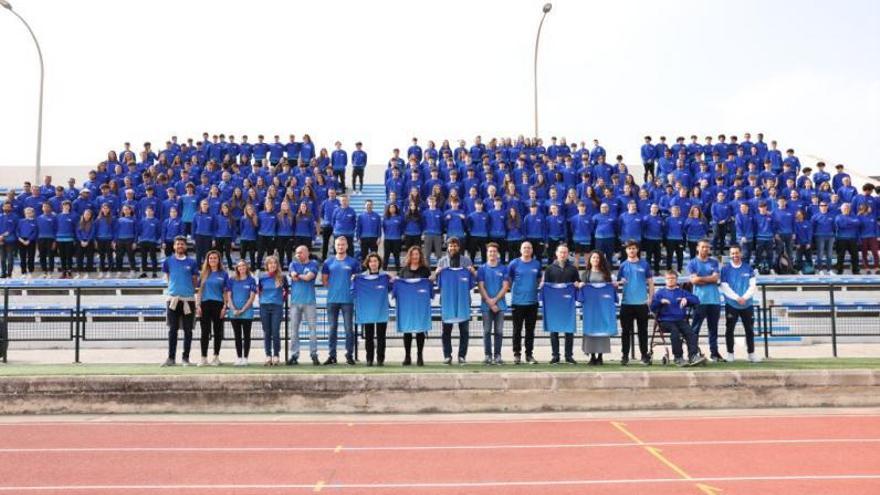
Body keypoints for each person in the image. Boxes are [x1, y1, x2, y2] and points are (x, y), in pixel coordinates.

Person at [650, 270, 706, 367]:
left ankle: (693, 356)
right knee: (675, 332)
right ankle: (678, 357)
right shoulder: (660, 293)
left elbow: (697, 300)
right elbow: (652, 307)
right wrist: (660, 301)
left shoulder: (682, 292)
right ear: (665, 280)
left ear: (676, 280)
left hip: (680, 320)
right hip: (665, 321)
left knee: (691, 332)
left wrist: (687, 299)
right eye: (668, 278)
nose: (671, 280)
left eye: (673, 278)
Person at [434, 237, 475, 365]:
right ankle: (447, 355)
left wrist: (473, 272)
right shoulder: (442, 262)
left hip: (463, 302)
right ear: (447, 247)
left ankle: (462, 356)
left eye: (455, 246)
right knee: (446, 332)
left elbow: (471, 283)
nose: (453, 248)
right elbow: (438, 284)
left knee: (465, 331)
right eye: (451, 246)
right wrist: (436, 273)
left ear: (459, 247)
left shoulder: (467, 261)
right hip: (447, 302)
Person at [321, 236, 360, 365]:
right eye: (338, 244)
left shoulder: (353, 262)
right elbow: (324, 280)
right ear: (335, 246)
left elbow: (357, 280)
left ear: (347, 246)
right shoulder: (328, 262)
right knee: (332, 329)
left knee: (349, 329)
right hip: (332, 300)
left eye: (343, 244)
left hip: (348, 300)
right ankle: (332, 355)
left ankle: (349, 355)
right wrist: (335, 289)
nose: (341, 247)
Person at [162, 236, 199, 366]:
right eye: (178, 244)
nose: (180, 246)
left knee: (188, 330)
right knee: (173, 329)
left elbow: (195, 279)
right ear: (174, 246)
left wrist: (189, 290)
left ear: (185, 246)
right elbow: (168, 277)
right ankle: (171, 358)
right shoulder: (168, 261)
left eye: (182, 244)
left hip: (188, 300)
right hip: (173, 300)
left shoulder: (192, 262)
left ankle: (185, 358)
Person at [541, 244, 581, 364]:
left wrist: (577, 284)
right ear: (556, 253)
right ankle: (555, 356)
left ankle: (569, 356)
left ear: (568, 254)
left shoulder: (573, 269)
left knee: (569, 330)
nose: (563, 254)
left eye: (565, 252)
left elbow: (577, 282)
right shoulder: (549, 269)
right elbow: (545, 284)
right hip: (554, 304)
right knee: (554, 330)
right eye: (561, 252)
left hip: (568, 304)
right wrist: (543, 286)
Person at [720, 244, 760, 363]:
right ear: (730, 255)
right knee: (729, 330)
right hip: (732, 304)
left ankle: (751, 354)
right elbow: (724, 286)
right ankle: (730, 354)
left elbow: (753, 286)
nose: (735, 255)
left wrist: (744, 297)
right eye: (732, 253)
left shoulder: (748, 268)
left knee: (749, 330)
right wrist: (737, 298)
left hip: (747, 304)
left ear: (741, 254)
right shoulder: (725, 269)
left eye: (737, 253)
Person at [617, 241, 654, 365]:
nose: (631, 250)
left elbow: (650, 282)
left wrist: (650, 298)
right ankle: (625, 356)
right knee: (625, 331)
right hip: (627, 303)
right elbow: (618, 282)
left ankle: (644, 355)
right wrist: (620, 282)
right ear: (626, 250)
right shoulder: (622, 265)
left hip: (641, 303)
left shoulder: (644, 264)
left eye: (633, 248)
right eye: (629, 248)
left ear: (637, 250)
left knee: (643, 331)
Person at [579, 251, 619, 366]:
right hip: (590, 308)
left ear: (601, 260)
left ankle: (600, 356)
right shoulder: (585, 274)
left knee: (603, 329)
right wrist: (581, 285)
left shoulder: (606, 274)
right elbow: (580, 290)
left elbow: (612, 290)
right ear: (590, 260)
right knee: (590, 328)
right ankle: (591, 356)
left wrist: (614, 285)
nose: (595, 260)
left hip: (603, 307)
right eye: (593, 258)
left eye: (598, 258)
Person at [352, 253, 391, 366]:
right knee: (368, 336)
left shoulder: (385, 277)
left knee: (381, 336)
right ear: (368, 263)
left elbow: (392, 288)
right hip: (367, 310)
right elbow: (353, 290)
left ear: (379, 263)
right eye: (371, 261)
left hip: (381, 309)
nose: (373, 263)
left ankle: (380, 359)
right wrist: (354, 279)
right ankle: (369, 359)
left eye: (375, 261)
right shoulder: (361, 277)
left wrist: (393, 278)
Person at [687, 239, 723, 361]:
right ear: (698, 248)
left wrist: (701, 279)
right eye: (703, 247)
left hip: (714, 300)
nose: (705, 249)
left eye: (707, 247)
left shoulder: (714, 262)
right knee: (695, 329)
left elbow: (716, 278)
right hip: (699, 300)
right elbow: (694, 280)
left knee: (713, 329)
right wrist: (709, 278)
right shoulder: (692, 263)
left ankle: (714, 353)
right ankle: (693, 353)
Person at [397, 245, 432, 366]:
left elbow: (428, 286)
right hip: (407, 305)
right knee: (407, 331)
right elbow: (398, 286)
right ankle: (407, 356)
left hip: (420, 305)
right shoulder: (403, 271)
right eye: (412, 254)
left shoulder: (425, 270)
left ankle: (420, 356)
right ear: (409, 256)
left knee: (420, 331)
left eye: (417, 254)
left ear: (420, 256)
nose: (415, 256)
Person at [508, 241, 541, 365]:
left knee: (530, 331)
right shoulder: (514, 263)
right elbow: (509, 279)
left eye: (529, 248)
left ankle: (529, 355)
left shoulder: (536, 264)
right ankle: (517, 354)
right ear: (521, 250)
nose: (527, 250)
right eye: (524, 248)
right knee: (517, 330)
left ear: (532, 250)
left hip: (532, 302)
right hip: (517, 302)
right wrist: (517, 291)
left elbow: (539, 279)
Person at [477, 242, 509, 365]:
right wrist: (490, 302)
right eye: (490, 251)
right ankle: (487, 356)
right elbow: (481, 287)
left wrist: (494, 301)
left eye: (494, 251)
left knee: (499, 331)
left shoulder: (503, 268)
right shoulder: (482, 269)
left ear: (498, 253)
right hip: (486, 305)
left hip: (500, 305)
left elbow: (505, 287)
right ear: (487, 253)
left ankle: (497, 356)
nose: (492, 253)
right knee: (486, 331)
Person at [288, 245, 320, 366]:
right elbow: (293, 276)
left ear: (307, 253)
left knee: (312, 330)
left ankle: (313, 354)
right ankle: (294, 355)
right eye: (296, 253)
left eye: (300, 252)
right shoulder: (293, 264)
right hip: (295, 302)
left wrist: (299, 276)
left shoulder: (314, 264)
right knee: (294, 330)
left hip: (309, 302)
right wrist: (299, 276)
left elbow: (308, 277)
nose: (298, 255)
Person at [196, 250, 228, 366]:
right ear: (207, 260)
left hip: (218, 304)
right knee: (205, 332)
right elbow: (199, 291)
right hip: (205, 304)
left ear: (218, 260)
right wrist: (198, 305)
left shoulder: (223, 274)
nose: (212, 260)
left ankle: (216, 357)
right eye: (210, 258)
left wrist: (225, 306)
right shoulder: (204, 273)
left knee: (217, 332)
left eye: (215, 258)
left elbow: (225, 292)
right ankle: (203, 358)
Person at [226, 259, 257, 366]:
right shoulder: (231, 280)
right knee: (237, 336)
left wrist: (243, 310)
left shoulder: (251, 280)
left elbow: (252, 298)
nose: (242, 268)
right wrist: (234, 309)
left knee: (247, 336)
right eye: (239, 266)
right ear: (237, 268)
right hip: (234, 313)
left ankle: (245, 358)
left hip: (247, 313)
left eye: (243, 266)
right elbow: (229, 296)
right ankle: (239, 357)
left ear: (246, 267)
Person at [258, 255, 287, 366]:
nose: (272, 265)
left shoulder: (282, 278)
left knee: (275, 332)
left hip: (277, 307)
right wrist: (264, 301)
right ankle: (268, 355)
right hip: (264, 306)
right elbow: (260, 291)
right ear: (267, 265)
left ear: (277, 265)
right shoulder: (262, 277)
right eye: (270, 263)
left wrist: (279, 301)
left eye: (274, 263)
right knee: (267, 332)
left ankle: (276, 355)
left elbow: (285, 292)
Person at [834, 203, 860, 275]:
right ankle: (839, 271)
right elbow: (841, 225)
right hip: (841, 239)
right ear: (841, 209)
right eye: (845, 208)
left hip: (853, 239)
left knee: (855, 256)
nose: (846, 209)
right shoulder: (838, 217)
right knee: (840, 256)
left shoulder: (854, 216)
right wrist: (852, 223)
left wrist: (848, 223)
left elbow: (858, 223)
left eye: (848, 208)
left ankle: (855, 270)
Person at [381, 203, 403, 270]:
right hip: (387, 239)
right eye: (391, 207)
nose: (392, 209)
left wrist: (399, 235)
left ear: (396, 209)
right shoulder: (385, 218)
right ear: (388, 209)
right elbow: (384, 228)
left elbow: (402, 228)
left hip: (397, 239)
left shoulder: (399, 218)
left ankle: (398, 271)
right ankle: (384, 270)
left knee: (396, 256)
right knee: (386, 256)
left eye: (393, 207)